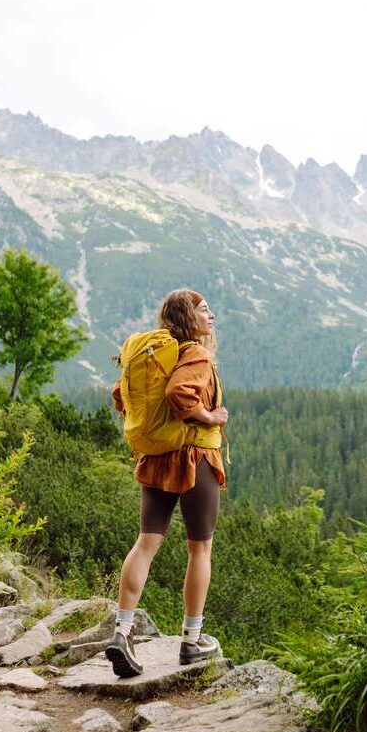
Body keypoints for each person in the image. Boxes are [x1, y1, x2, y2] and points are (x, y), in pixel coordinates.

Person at [105, 288, 229, 677]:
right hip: (196, 459)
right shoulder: (195, 353)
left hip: (157, 459)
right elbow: (180, 393)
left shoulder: (154, 354)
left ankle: (121, 630)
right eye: (205, 311)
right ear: (190, 318)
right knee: (200, 549)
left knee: (146, 543)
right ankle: (192, 641)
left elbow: (120, 395)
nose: (212, 317)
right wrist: (210, 417)